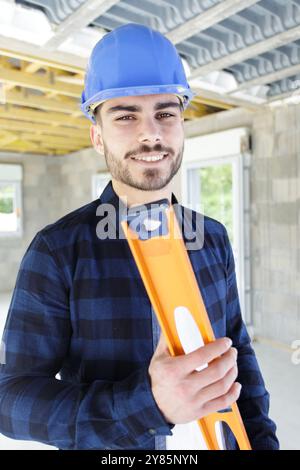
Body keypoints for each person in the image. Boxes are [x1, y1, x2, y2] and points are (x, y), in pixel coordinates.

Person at [0, 23, 278, 450]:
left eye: (166, 113)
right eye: (126, 116)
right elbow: (10, 400)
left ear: (182, 124)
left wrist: (262, 441)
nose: (151, 133)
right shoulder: (57, 250)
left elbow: (238, 354)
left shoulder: (213, 239)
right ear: (97, 135)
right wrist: (148, 403)